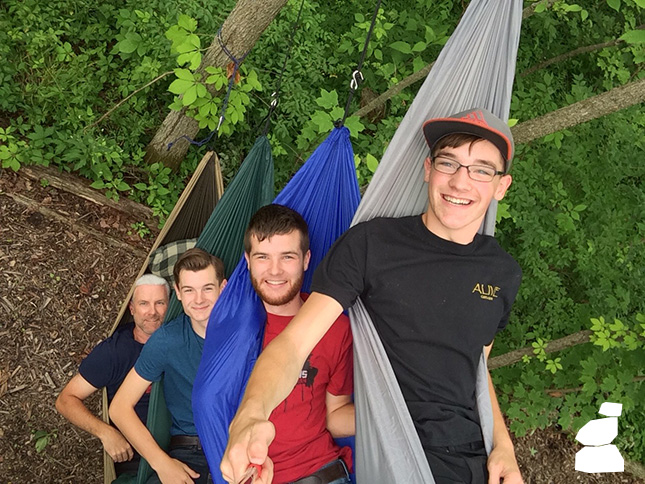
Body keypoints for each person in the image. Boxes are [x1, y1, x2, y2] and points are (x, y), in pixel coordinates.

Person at [221, 108, 525, 484]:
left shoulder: (502, 271)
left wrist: (504, 447)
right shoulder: (373, 245)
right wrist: (251, 414)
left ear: (501, 186)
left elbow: (476, 366)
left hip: (475, 460)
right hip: (401, 456)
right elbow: (293, 345)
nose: (461, 182)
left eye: (481, 169)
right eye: (449, 163)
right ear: (428, 169)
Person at [241, 204, 354, 484]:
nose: (275, 271)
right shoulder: (230, 328)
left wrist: (402, 414)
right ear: (247, 260)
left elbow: (335, 416)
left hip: (320, 473)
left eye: (287, 257)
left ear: (306, 259)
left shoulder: (334, 326)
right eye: (263, 257)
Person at [110, 248, 227, 484]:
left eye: (207, 288)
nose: (199, 299)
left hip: (236, 447)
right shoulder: (167, 340)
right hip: (189, 453)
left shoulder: (244, 332)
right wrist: (161, 463)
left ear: (223, 288)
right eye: (189, 290)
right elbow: (119, 408)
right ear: (178, 293)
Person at [56, 274, 169, 477]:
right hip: (137, 462)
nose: (152, 312)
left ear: (170, 306)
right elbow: (66, 400)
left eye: (159, 303)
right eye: (144, 304)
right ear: (132, 309)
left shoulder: (183, 341)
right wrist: (105, 432)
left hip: (182, 450)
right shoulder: (114, 352)